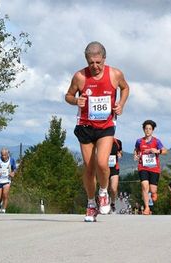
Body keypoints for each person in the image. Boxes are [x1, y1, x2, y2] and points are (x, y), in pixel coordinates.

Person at [65, 41, 130, 222]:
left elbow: (125, 88)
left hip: (106, 125)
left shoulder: (115, 74)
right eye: (91, 62)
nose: (94, 66)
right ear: (87, 60)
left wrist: (121, 105)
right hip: (85, 126)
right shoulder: (79, 76)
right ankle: (91, 203)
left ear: (104, 58)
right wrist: (75, 101)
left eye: (98, 62)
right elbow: (68, 95)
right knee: (89, 167)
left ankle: (103, 192)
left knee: (102, 163)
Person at [134, 120, 168, 215]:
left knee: (153, 189)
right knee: (145, 186)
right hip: (143, 167)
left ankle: (153, 193)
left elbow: (165, 151)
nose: (148, 131)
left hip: (154, 168)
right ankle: (147, 208)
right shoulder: (139, 141)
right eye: (146, 129)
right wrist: (135, 155)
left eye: (150, 129)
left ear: (152, 130)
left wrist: (157, 151)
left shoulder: (156, 141)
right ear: (143, 130)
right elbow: (136, 150)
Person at [0, 148, 17, 213]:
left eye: (5, 155)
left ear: (8, 154)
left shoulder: (12, 160)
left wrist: (13, 173)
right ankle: (0, 203)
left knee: (5, 195)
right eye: (2, 155)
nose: (3, 156)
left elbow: (14, 169)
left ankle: (4, 209)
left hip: (7, 180)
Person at [108, 138, 122, 214]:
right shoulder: (101, 140)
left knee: (113, 189)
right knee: (105, 188)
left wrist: (120, 154)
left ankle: (112, 203)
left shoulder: (118, 142)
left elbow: (120, 152)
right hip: (104, 169)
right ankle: (104, 204)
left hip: (114, 168)